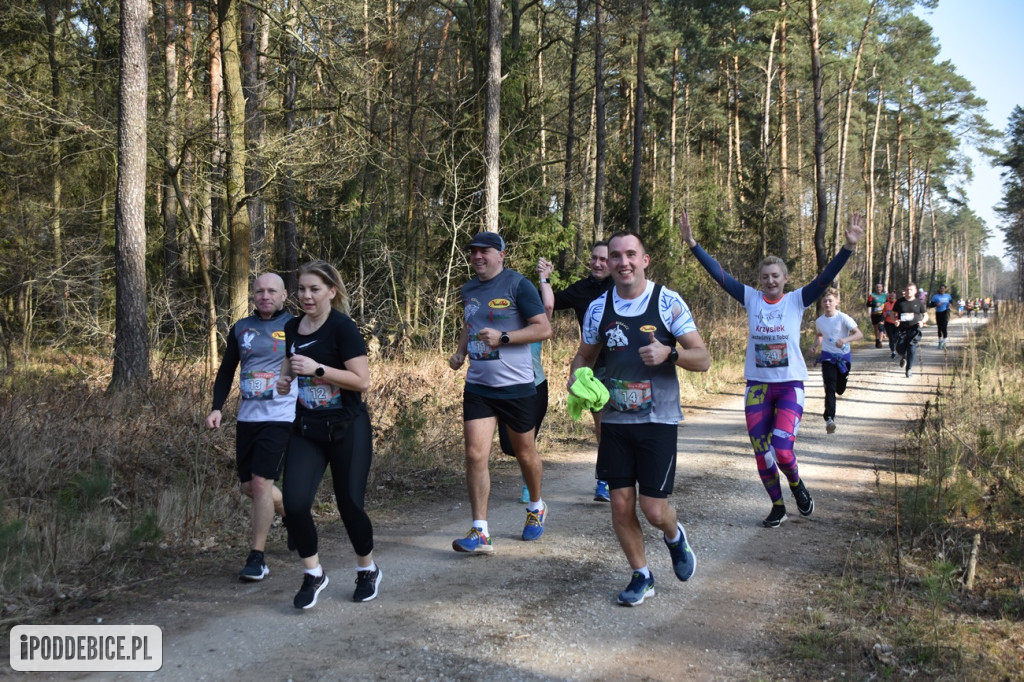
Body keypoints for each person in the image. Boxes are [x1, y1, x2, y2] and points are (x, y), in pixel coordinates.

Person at [680, 211, 864, 528]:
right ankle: (777, 505)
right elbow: (719, 275)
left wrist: (847, 248)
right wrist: (693, 244)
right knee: (761, 451)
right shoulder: (751, 298)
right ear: (760, 280)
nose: (770, 280)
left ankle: (796, 484)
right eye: (765, 276)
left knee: (781, 450)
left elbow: (825, 276)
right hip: (758, 388)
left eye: (776, 276)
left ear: (785, 278)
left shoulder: (797, 300)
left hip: (790, 386)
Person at [568, 229, 710, 606]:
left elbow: (703, 357)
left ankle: (674, 536)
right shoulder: (599, 307)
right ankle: (641, 575)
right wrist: (577, 376)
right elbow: (584, 355)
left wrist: (671, 355)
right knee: (618, 504)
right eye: (615, 256)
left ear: (644, 260)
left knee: (653, 508)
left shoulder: (667, 302)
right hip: (614, 420)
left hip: (658, 420)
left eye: (631, 254)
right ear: (608, 262)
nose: (623, 262)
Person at [275, 261, 379, 608]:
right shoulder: (292, 326)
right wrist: (286, 376)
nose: (306, 295)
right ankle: (313, 573)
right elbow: (292, 358)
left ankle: (367, 569)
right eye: (302, 289)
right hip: (307, 428)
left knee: (349, 504)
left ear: (331, 292)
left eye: (314, 289)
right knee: (294, 503)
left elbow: (362, 381)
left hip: (348, 427)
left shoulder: (343, 328)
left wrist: (319, 369)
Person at [448, 232, 553, 553]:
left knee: (524, 453)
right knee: (475, 455)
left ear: (501, 255)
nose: (477, 256)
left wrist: (504, 337)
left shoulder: (518, 285)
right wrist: (461, 352)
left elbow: (544, 328)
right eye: (473, 252)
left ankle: (536, 508)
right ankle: (480, 531)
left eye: (485, 251)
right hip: (479, 385)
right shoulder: (468, 289)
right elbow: (469, 323)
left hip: (517, 386)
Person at [205, 273, 296, 582]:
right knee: (250, 488)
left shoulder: (297, 327)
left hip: (282, 417)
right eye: (259, 291)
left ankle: (256, 557)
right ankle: (294, 519)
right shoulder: (241, 328)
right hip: (248, 418)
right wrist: (217, 408)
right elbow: (227, 370)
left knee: (260, 484)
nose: (265, 295)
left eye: (272, 291)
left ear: (284, 295)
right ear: (253, 296)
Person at [537, 242, 615, 501]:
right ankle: (604, 480)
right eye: (594, 258)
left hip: (627, 365)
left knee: (629, 425)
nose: (597, 263)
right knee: (603, 424)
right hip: (595, 369)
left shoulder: (623, 288)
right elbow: (549, 303)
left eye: (603, 259)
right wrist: (544, 278)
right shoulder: (581, 290)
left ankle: (629, 474)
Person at [496, 340, 547, 504]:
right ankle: (532, 472)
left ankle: (530, 488)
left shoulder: (534, 321)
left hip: (535, 388)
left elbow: (545, 324)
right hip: (506, 389)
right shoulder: (502, 325)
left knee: (527, 444)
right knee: (509, 446)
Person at [811, 288, 863, 434]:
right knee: (830, 388)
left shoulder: (843, 318)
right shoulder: (819, 321)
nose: (827, 303)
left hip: (843, 358)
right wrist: (815, 346)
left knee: (840, 389)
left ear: (837, 302)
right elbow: (820, 335)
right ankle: (830, 419)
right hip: (828, 357)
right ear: (821, 303)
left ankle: (830, 414)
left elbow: (859, 334)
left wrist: (845, 339)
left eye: (830, 301)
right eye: (825, 301)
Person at [894, 282, 927, 378]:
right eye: (907, 289)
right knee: (899, 349)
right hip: (902, 330)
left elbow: (925, 315)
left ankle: (908, 369)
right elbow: (893, 313)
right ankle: (903, 356)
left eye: (911, 289)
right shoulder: (900, 302)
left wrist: (922, 322)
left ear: (915, 291)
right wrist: (895, 320)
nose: (909, 291)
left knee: (912, 349)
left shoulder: (918, 303)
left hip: (914, 329)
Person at [928, 284, 952, 349]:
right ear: (939, 289)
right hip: (938, 313)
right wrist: (936, 304)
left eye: (943, 288)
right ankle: (940, 341)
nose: (942, 290)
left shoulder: (948, 296)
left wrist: (950, 304)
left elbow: (950, 302)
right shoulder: (935, 296)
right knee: (939, 328)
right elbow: (930, 305)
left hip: (946, 312)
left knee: (944, 327)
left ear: (945, 289)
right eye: (941, 288)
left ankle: (945, 343)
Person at [865, 283, 887, 349]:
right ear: (875, 288)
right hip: (874, 314)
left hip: (882, 314)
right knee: (876, 328)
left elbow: (888, 302)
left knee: (881, 327)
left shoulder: (885, 295)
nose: (878, 288)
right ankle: (877, 340)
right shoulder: (872, 295)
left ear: (882, 288)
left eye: (880, 287)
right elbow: (868, 304)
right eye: (877, 287)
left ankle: (880, 342)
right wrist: (874, 305)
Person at [882, 291, 900, 358]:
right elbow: (884, 312)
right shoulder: (886, 304)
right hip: (888, 322)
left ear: (895, 296)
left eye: (893, 295)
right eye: (891, 295)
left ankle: (896, 347)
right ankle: (893, 351)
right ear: (889, 296)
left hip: (897, 322)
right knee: (891, 338)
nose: (892, 297)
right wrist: (885, 315)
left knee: (896, 337)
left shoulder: (898, 303)